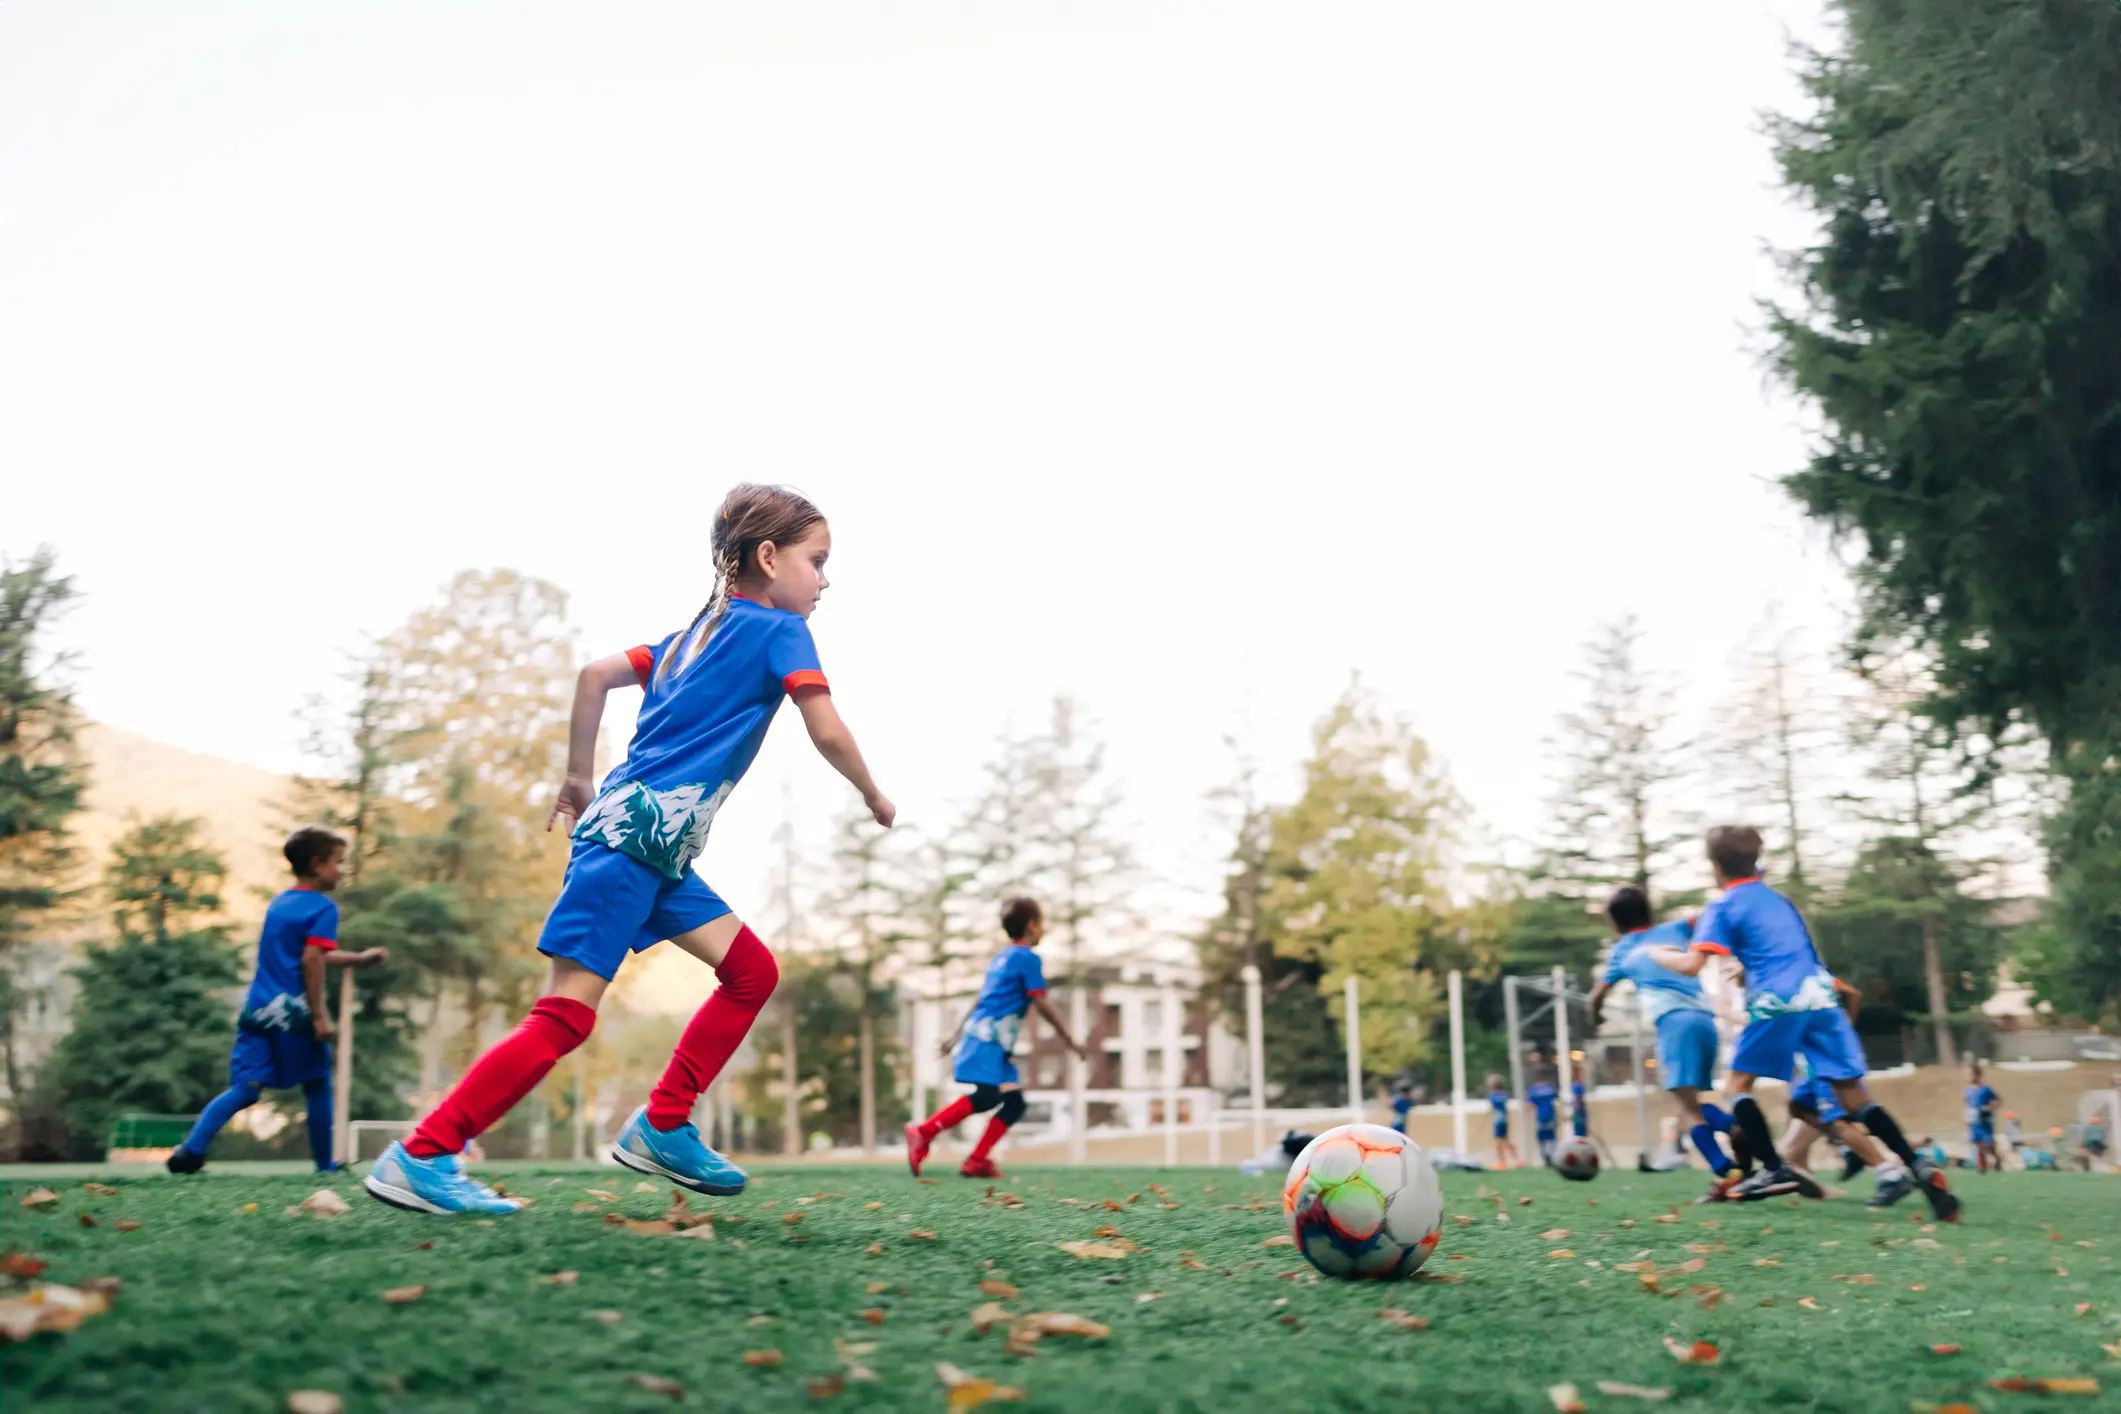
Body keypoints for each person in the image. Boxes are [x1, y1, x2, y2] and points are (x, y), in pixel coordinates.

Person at [366, 485, 893, 1215]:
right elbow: (826, 728)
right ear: (768, 558)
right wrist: (871, 791)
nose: (825, 580)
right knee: (564, 1017)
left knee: (749, 972)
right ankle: (422, 1154)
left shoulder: (689, 640)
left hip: (652, 849)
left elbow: (595, 676)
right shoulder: (780, 633)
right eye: (818, 561)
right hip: (631, 847)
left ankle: (664, 1125)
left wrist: (579, 776)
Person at [1649, 825, 1958, 1221]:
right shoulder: (1780, 901)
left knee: (1737, 1086)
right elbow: (1785, 950)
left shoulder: (1723, 906)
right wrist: (1750, 967)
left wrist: (1659, 955)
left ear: (1714, 866)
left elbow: (1693, 965)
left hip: (1779, 1002)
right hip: (1821, 997)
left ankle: (1773, 1169)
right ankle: (1916, 1165)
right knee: (1853, 1099)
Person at [168, 826, 389, 1174]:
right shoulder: (322, 908)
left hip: (258, 1010)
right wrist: (318, 1015)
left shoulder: (280, 904)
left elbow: (306, 954)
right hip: (294, 1013)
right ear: (318, 865)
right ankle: (325, 1164)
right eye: (338, 863)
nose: (342, 870)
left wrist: (358, 960)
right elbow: (311, 960)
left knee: (245, 1088)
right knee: (317, 1083)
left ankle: (190, 1150)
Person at [904, 897, 1086, 1180]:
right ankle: (924, 1132)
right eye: (1041, 923)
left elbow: (981, 1000)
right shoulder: (1028, 958)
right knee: (988, 1096)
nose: (1043, 930)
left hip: (987, 1038)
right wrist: (1070, 1040)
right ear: (1032, 925)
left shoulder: (1001, 958)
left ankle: (976, 1161)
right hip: (988, 1037)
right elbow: (1040, 1002)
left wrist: (955, 1037)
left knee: (1013, 1102)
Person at [1586, 888, 1739, 1199]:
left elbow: (1596, 996)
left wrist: (1596, 1018)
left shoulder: (1622, 952)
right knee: (1693, 1101)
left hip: (1673, 1023)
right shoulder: (1677, 928)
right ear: (1649, 913)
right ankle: (1737, 1136)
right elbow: (1710, 915)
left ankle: (1729, 1164)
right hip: (1706, 1022)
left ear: (1615, 924)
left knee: (1689, 1108)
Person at [1965, 1061, 2002, 1173]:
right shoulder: (1967, 1090)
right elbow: (1968, 1105)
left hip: (1985, 1121)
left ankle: (1997, 1162)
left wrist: (1989, 1108)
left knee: (1988, 1143)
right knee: (1977, 1143)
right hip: (1974, 1121)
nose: (1967, 1076)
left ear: (1977, 1074)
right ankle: (1981, 1166)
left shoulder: (1985, 1089)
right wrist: (1966, 1117)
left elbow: (1998, 1100)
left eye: (1970, 1074)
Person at [1526, 1067, 1559, 1165]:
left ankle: (1544, 1157)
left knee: (1541, 1138)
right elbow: (1557, 1100)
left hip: (1540, 1117)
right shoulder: (1550, 1088)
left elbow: (1530, 1105)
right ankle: (1552, 1156)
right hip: (1551, 1115)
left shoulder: (1533, 1090)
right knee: (1552, 1137)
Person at [1486, 1075, 1519, 1169]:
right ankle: (1515, 1159)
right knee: (1504, 1140)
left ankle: (1502, 1161)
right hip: (1504, 1119)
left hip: (1497, 1120)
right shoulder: (1505, 1095)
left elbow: (1492, 1107)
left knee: (1500, 1142)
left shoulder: (1492, 1096)